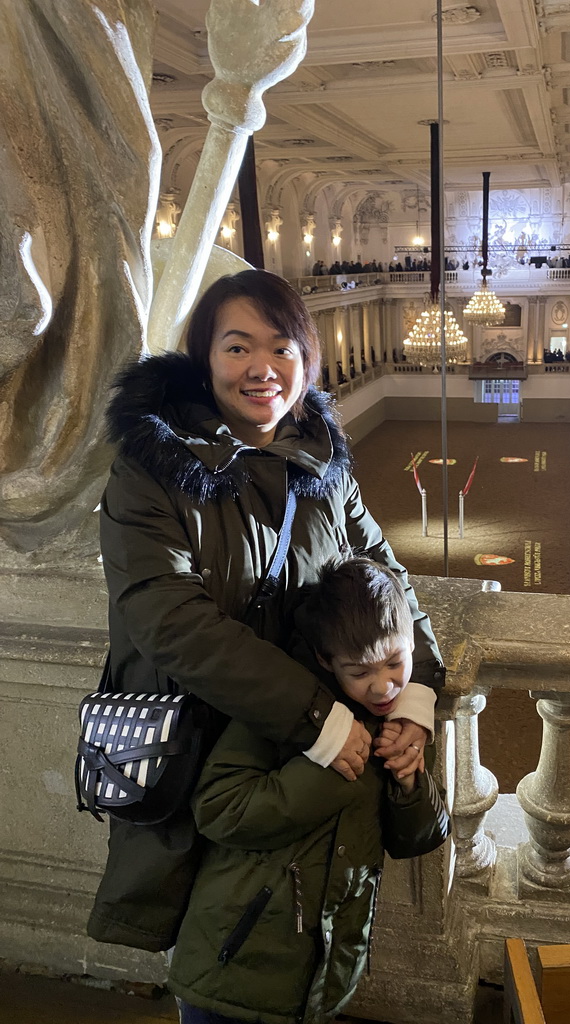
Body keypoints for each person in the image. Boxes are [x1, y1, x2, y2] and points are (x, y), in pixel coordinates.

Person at [87, 269, 444, 954]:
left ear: (306, 358)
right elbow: (167, 620)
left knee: (298, 939)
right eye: (237, 347)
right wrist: (319, 717)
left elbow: (388, 580)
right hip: (202, 756)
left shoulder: (323, 461)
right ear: (204, 357)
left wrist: (414, 696)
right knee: (214, 953)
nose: (263, 369)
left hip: (304, 758)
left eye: (282, 347)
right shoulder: (149, 470)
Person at [167, 557, 451, 1023]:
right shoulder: (285, 707)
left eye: (395, 662)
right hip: (231, 967)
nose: (383, 686)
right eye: (359, 672)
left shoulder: (403, 722)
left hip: (323, 974)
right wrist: (333, 767)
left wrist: (409, 781)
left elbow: (416, 839)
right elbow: (218, 809)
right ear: (325, 660)